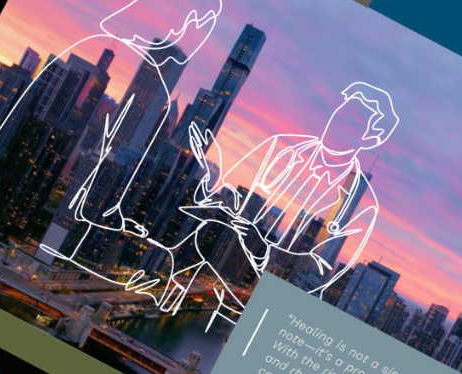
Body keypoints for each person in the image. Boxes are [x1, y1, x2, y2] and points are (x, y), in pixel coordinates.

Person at [154, 81, 398, 325]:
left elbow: (317, 270)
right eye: (344, 114)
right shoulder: (283, 149)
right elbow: (213, 200)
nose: (340, 124)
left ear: (370, 138)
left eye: (359, 127)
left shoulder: (364, 211)